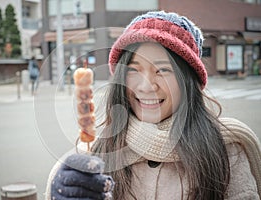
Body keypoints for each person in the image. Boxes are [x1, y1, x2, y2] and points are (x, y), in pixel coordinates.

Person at [45, 11, 261, 200]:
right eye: (134, 70)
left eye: (163, 70)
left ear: (188, 81)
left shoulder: (226, 151)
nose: (147, 86)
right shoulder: (98, 153)